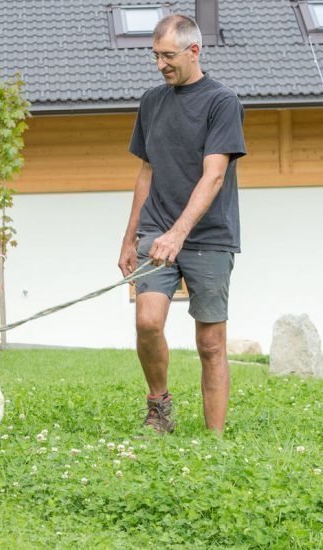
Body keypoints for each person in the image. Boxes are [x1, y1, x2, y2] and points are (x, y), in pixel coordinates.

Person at [118, 15, 246, 434]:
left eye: (168, 55)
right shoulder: (151, 102)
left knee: (210, 343)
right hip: (156, 229)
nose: (160, 64)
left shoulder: (221, 102)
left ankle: (215, 440)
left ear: (194, 51)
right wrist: (130, 237)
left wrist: (179, 234)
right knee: (147, 322)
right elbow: (145, 173)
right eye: (155, 55)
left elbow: (213, 176)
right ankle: (159, 409)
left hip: (209, 236)